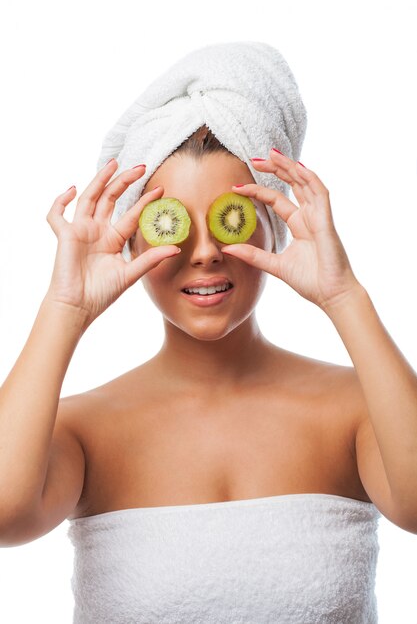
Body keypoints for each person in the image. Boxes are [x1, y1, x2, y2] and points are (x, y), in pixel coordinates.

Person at [1, 50, 417, 623]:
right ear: (132, 237)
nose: (203, 253)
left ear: (273, 225)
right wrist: (64, 307)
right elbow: (4, 516)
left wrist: (344, 296)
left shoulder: (358, 409)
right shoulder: (81, 430)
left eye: (231, 217)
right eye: (169, 221)